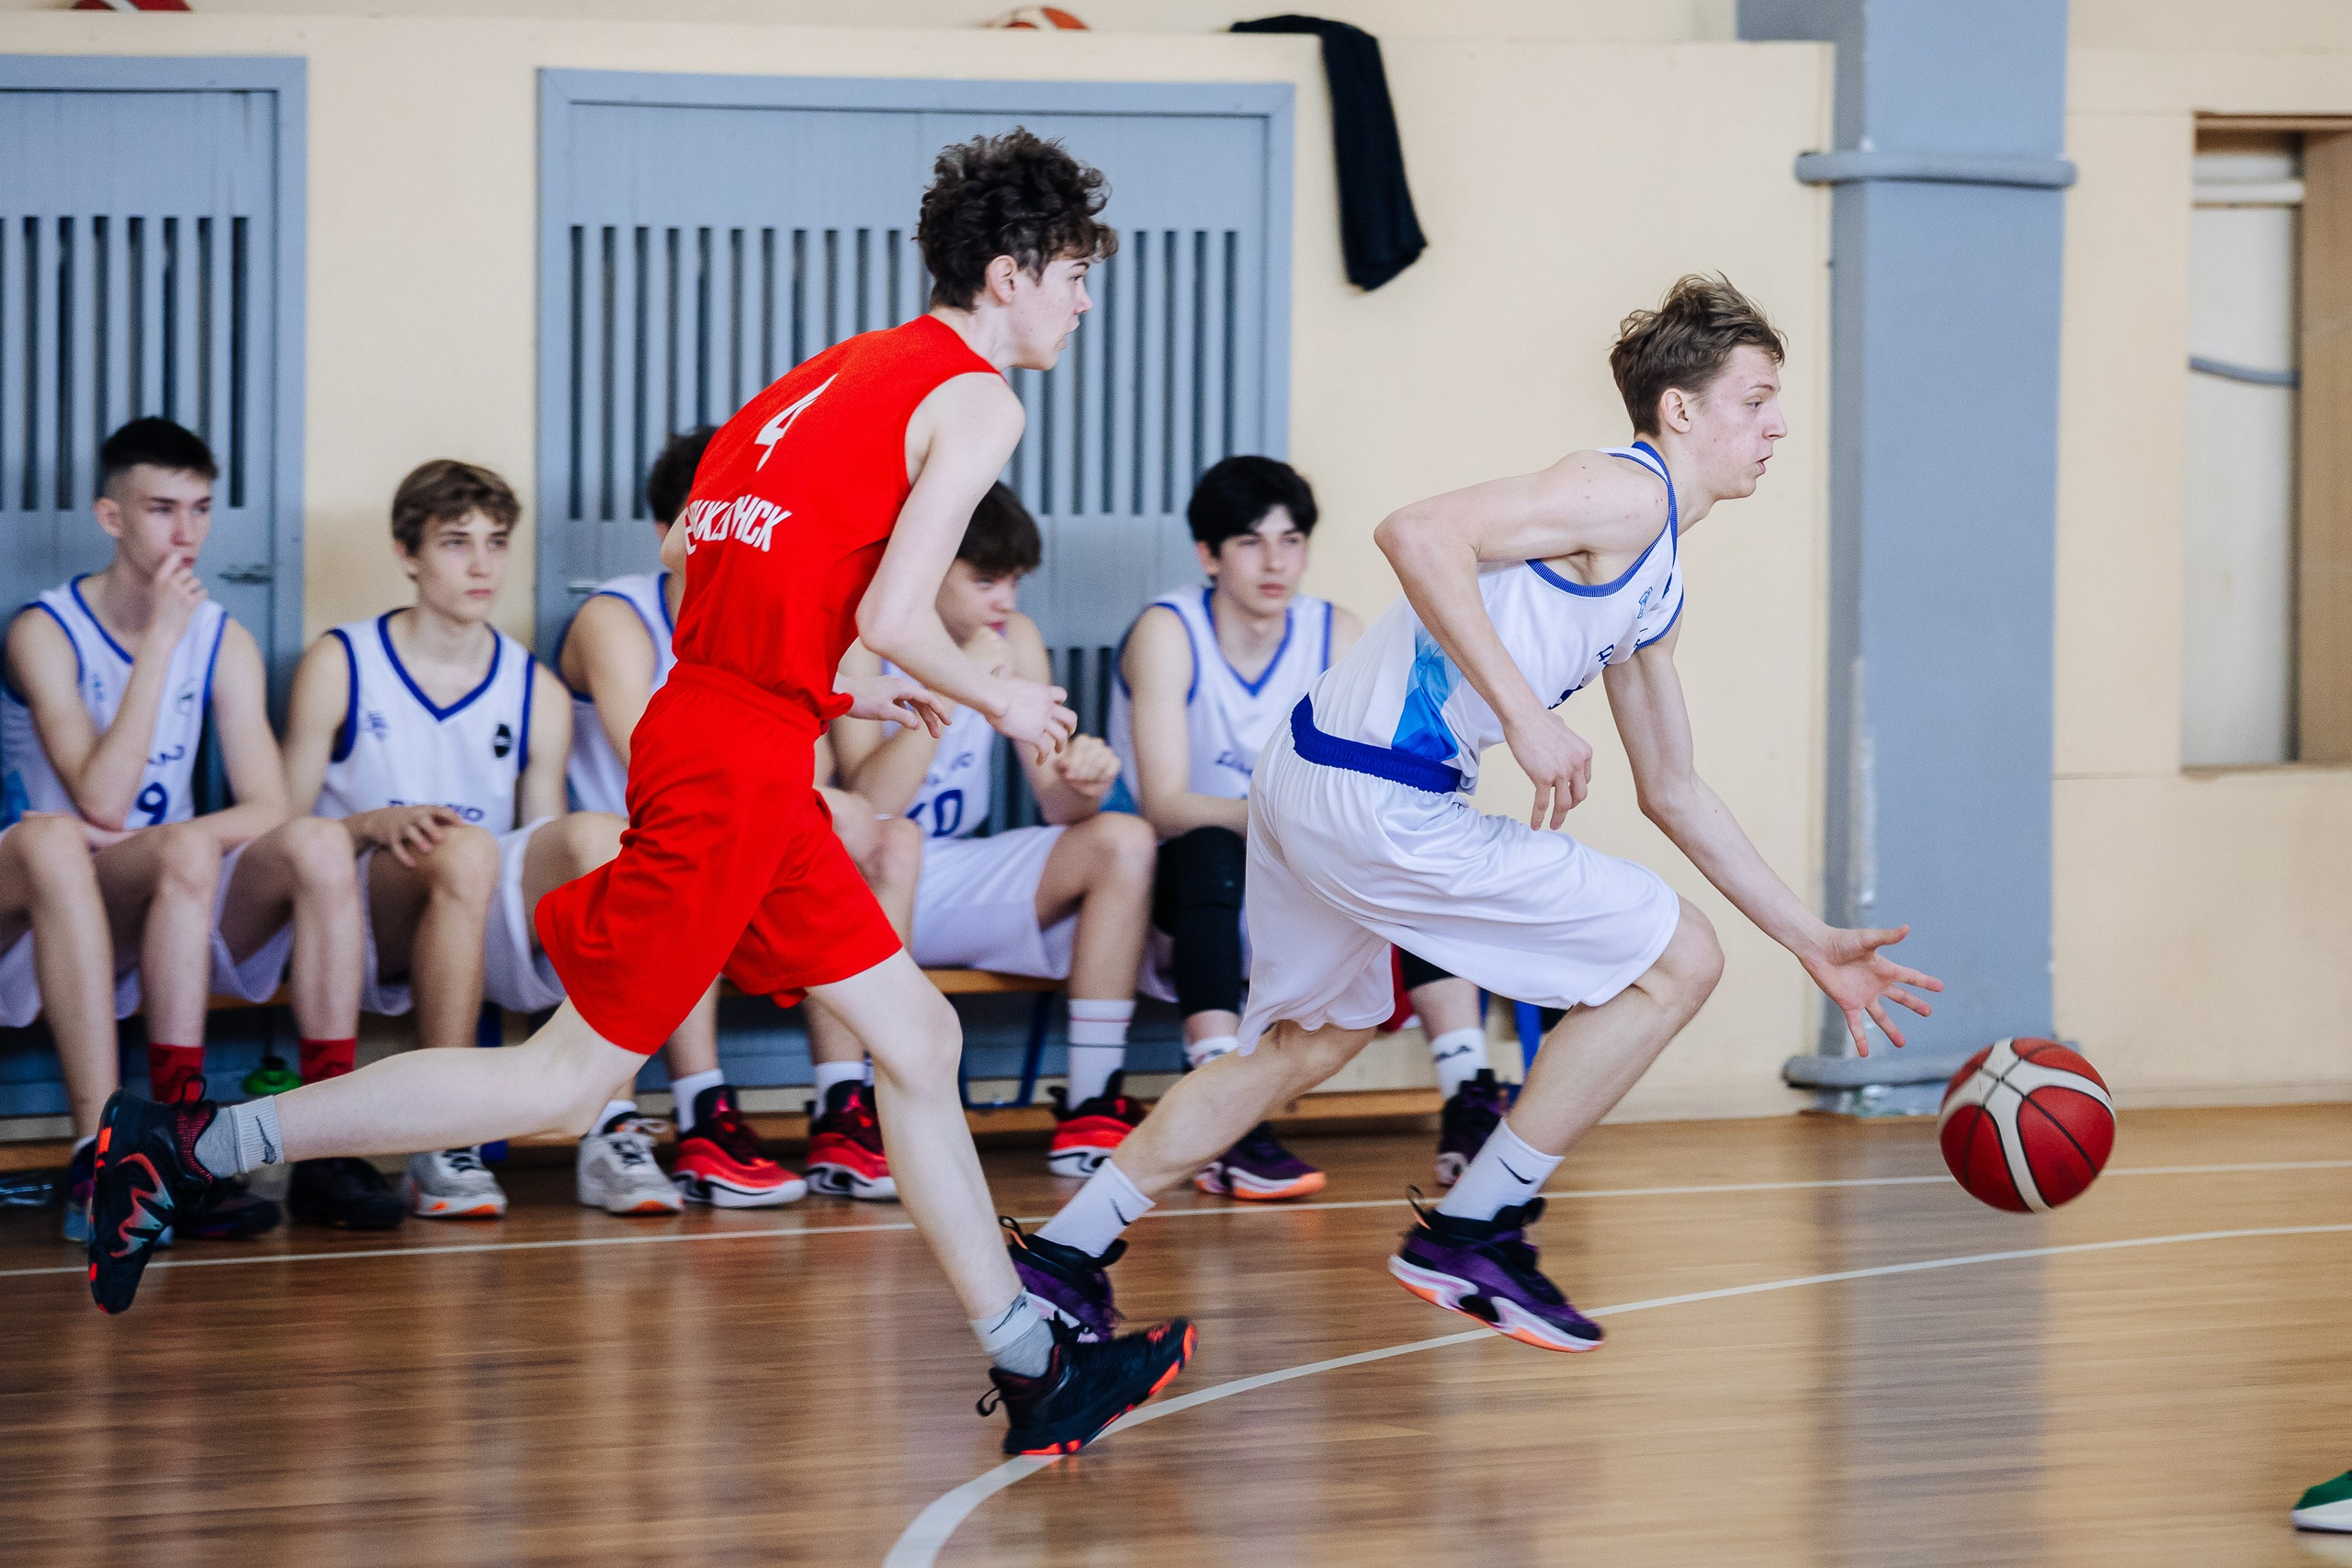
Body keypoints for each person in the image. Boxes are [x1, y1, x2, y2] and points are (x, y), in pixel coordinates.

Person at [87, 129, 1193, 1458]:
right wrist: (998, 689)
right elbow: (902, 603)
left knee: (919, 1038)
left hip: (732, 733)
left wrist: (836, 676)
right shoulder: (976, 397)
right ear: (1012, 272)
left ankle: (1031, 1365)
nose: (1083, 299)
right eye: (1075, 271)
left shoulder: (837, 369)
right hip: (735, 763)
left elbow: (700, 553)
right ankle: (185, 1141)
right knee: (560, 1080)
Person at [1010, 276, 1939, 1354]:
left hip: (1317, 779)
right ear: (1678, 408)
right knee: (1677, 960)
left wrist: (1810, 940)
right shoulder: (1621, 491)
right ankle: (1474, 1225)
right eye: (1754, 397)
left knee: (1305, 1047)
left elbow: (1671, 787)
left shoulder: (1655, 577)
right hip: (1375, 797)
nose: (1777, 423)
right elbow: (1416, 532)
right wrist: (1523, 718)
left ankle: (1067, 1254)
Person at [5, 417, 384, 1236]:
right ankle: (102, 1155)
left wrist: (185, 839)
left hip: (164, 887)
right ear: (112, 518)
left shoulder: (225, 638)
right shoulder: (44, 630)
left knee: (313, 838)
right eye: (162, 509)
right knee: (70, 840)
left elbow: (269, 806)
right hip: (47, 906)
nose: (188, 532)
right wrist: (160, 644)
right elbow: (102, 799)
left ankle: (285, 1143)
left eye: (202, 509)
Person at [1102, 455, 1488, 1201]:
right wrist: (1291, 820)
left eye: (1291, 540)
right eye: (1250, 542)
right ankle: (1224, 1116)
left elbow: (1373, 780)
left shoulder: (1334, 631)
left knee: (1404, 851)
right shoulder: (1169, 630)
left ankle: (1470, 1094)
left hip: (1306, 866)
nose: (1275, 561)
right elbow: (1166, 802)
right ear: (1208, 555)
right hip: (1191, 878)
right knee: (1211, 848)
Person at [831, 481, 1157, 1178]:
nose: (1005, 600)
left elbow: (1054, 805)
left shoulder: (1014, 639)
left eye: (1013, 580)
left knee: (1123, 839)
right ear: (926, 562)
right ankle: (859, 1109)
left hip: (957, 873)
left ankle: (1093, 1100)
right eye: (986, 580)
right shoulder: (858, 638)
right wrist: (955, 683)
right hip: (869, 876)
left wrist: (1084, 783)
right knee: (892, 841)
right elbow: (869, 796)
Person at [560, 426, 810, 1209]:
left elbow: (819, 773)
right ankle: (685, 1117)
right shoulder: (617, 615)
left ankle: (845, 1107)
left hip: (722, 840)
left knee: (860, 831)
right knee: (686, 848)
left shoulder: (767, 616)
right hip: (605, 858)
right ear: (676, 533)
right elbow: (656, 764)